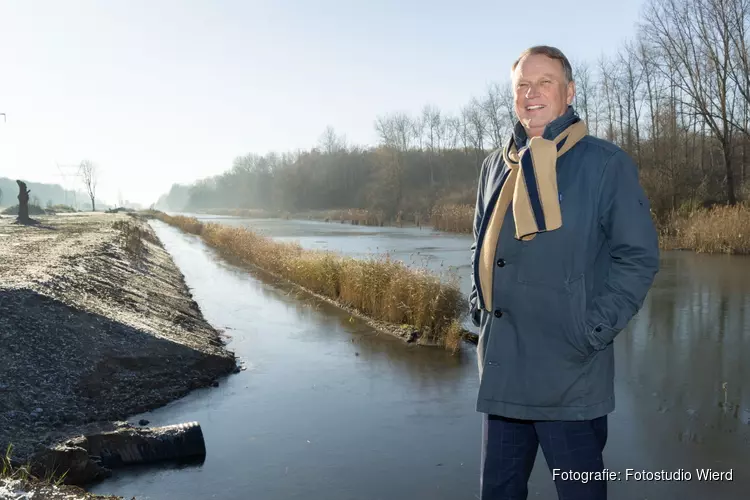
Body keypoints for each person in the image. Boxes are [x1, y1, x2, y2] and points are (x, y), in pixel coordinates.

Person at [468, 45, 660, 500]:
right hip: (505, 370)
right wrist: (480, 307)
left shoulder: (604, 164)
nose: (531, 93)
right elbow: (480, 243)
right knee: (498, 493)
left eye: (544, 82)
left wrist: (590, 331)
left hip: (569, 375)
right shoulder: (496, 165)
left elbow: (638, 258)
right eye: (522, 85)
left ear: (569, 92)